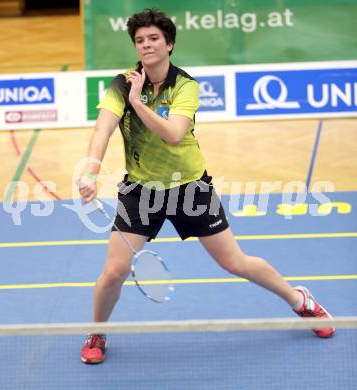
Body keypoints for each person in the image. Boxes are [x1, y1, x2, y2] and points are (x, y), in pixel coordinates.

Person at [78, 8, 334, 364]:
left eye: (153, 38)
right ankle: (97, 332)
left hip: (190, 190)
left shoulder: (185, 86)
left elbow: (173, 134)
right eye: (139, 40)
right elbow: (102, 129)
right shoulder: (123, 84)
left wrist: (137, 104)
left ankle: (300, 300)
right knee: (113, 273)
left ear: (169, 44)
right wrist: (90, 171)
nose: (146, 45)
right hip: (141, 191)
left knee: (235, 262)